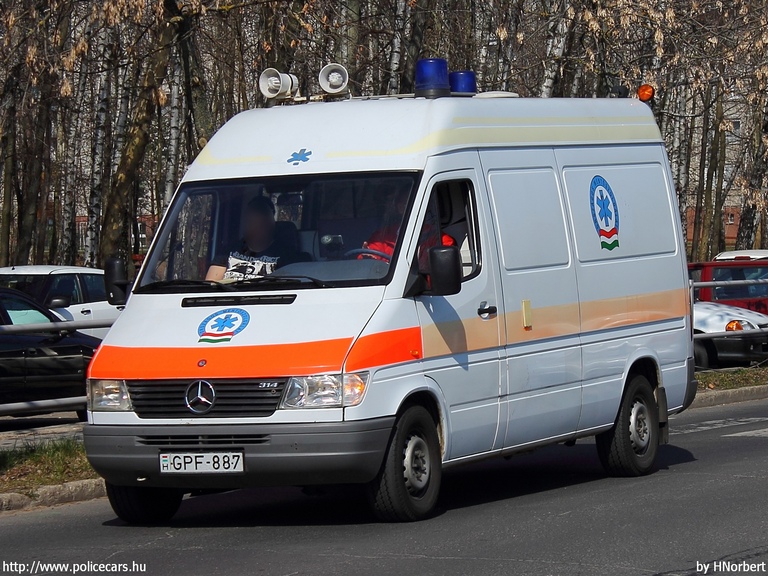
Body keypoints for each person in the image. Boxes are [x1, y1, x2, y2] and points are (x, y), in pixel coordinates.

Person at [205, 196, 298, 281]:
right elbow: (211, 285)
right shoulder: (227, 252)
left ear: (271, 224)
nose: (255, 228)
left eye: (261, 224)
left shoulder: (287, 256)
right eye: (250, 222)